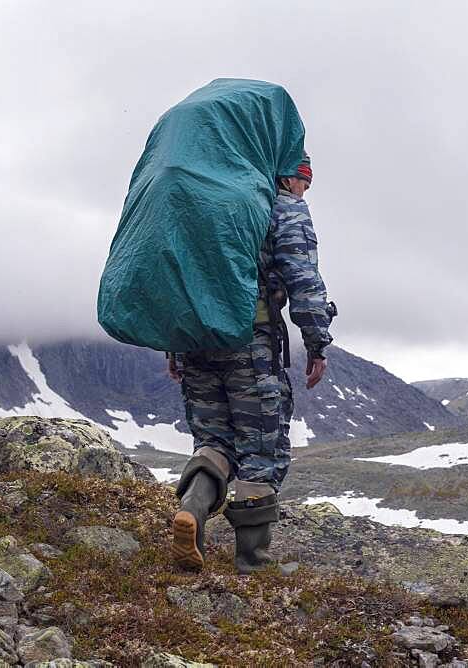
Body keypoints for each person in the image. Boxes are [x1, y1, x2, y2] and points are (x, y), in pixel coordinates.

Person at [169, 155, 335, 573]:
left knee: (213, 440)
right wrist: (317, 343)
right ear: (289, 177)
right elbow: (303, 277)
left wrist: (172, 344)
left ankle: (192, 508)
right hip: (250, 344)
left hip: (194, 339)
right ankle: (252, 563)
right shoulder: (278, 205)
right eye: (303, 184)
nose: (303, 193)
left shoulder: (203, 199)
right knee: (261, 449)